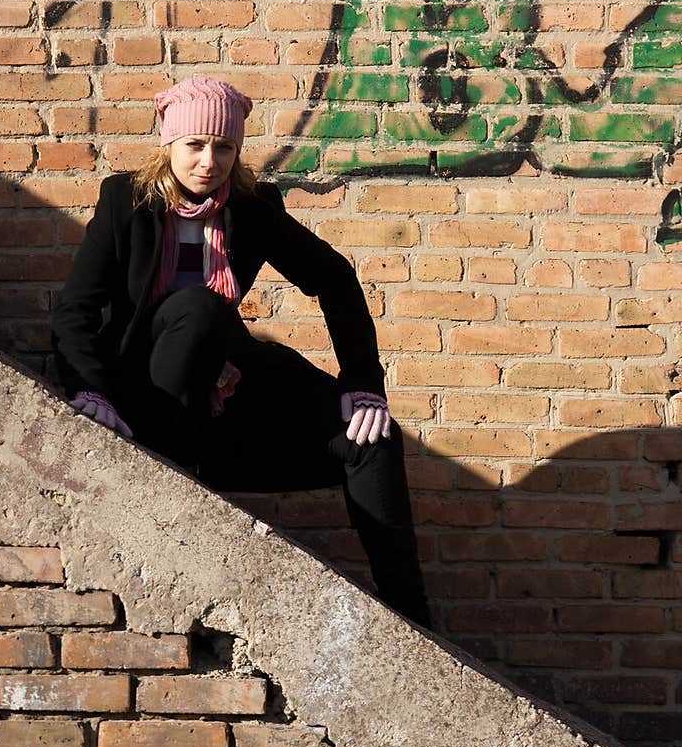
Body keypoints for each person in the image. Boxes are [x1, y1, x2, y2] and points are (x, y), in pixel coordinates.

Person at [51, 76, 431, 629]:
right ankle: (175, 498)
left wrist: (363, 381)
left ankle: (414, 624)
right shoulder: (124, 202)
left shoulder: (253, 208)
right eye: (195, 145)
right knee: (201, 309)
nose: (210, 161)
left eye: (224, 147)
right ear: (168, 143)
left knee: (372, 439)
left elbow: (336, 279)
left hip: (222, 383)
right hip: (144, 396)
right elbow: (74, 311)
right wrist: (89, 390)